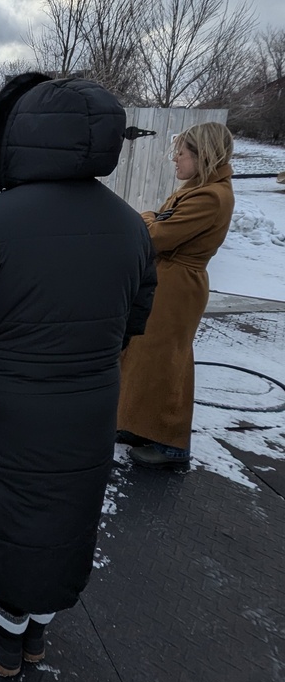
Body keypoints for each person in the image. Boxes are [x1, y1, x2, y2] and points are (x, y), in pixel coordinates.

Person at [0, 74, 157, 677]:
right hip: (88, 404)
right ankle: (34, 632)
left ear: (23, 137)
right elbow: (136, 317)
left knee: (4, 513)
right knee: (63, 517)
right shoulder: (132, 225)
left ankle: (3, 634)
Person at [117, 123, 235, 469]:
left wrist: (151, 218)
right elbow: (156, 224)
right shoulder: (199, 189)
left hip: (178, 287)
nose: (175, 160)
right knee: (143, 356)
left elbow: (156, 235)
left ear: (203, 155)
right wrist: (154, 219)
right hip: (167, 282)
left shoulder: (210, 196)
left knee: (168, 363)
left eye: (181, 154)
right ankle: (138, 425)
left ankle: (170, 444)